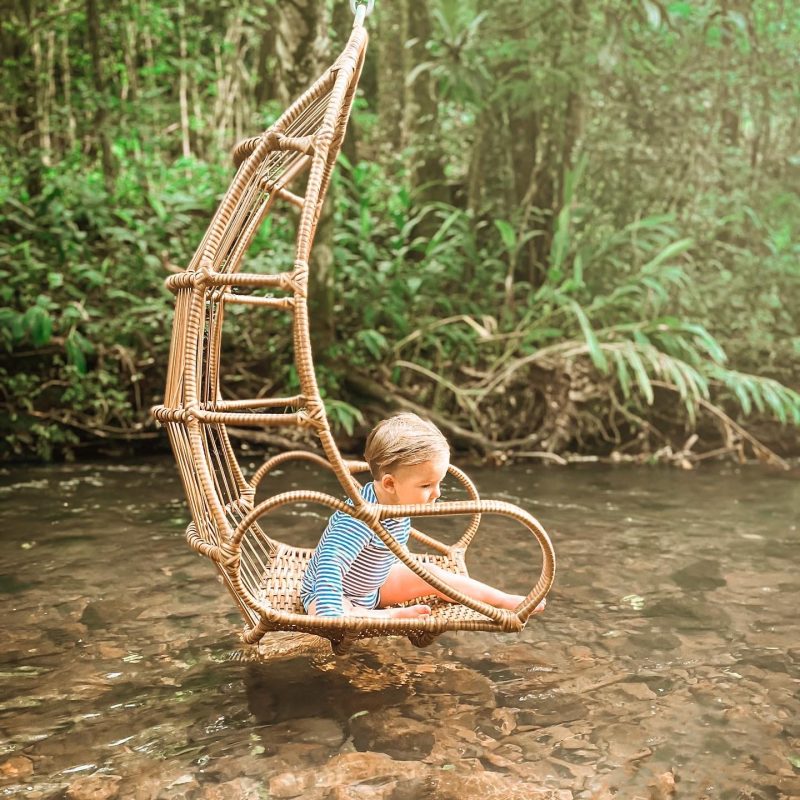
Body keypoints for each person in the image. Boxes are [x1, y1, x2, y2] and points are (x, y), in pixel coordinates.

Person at [300, 412, 547, 620]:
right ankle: (381, 616)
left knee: (432, 575)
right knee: (330, 612)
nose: (437, 493)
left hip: (372, 587)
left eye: (439, 483)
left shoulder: (397, 503)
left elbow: (393, 549)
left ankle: (500, 600)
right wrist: (331, 613)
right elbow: (329, 567)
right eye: (427, 485)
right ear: (389, 483)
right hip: (329, 592)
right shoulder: (357, 520)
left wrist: (412, 569)